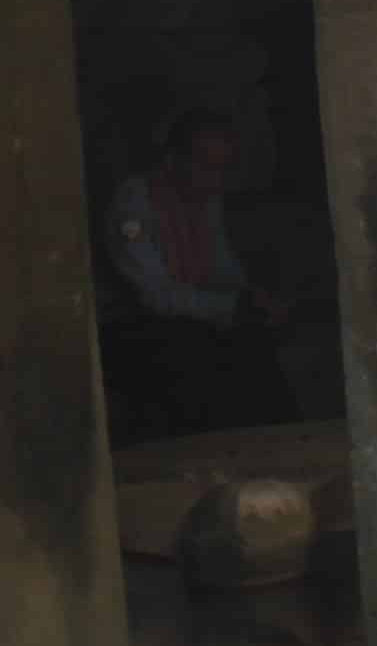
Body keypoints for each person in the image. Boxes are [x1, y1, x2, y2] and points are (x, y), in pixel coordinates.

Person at [106, 108, 295, 434]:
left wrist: (252, 300)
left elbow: (221, 266)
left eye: (223, 168)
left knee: (256, 346)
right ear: (172, 160)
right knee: (194, 358)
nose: (215, 179)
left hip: (189, 316)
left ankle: (283, 443)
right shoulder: (134, 204)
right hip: (135, 325)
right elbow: (154, 296)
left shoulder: (205, 198)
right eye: (205, 165)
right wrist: (231, 306)